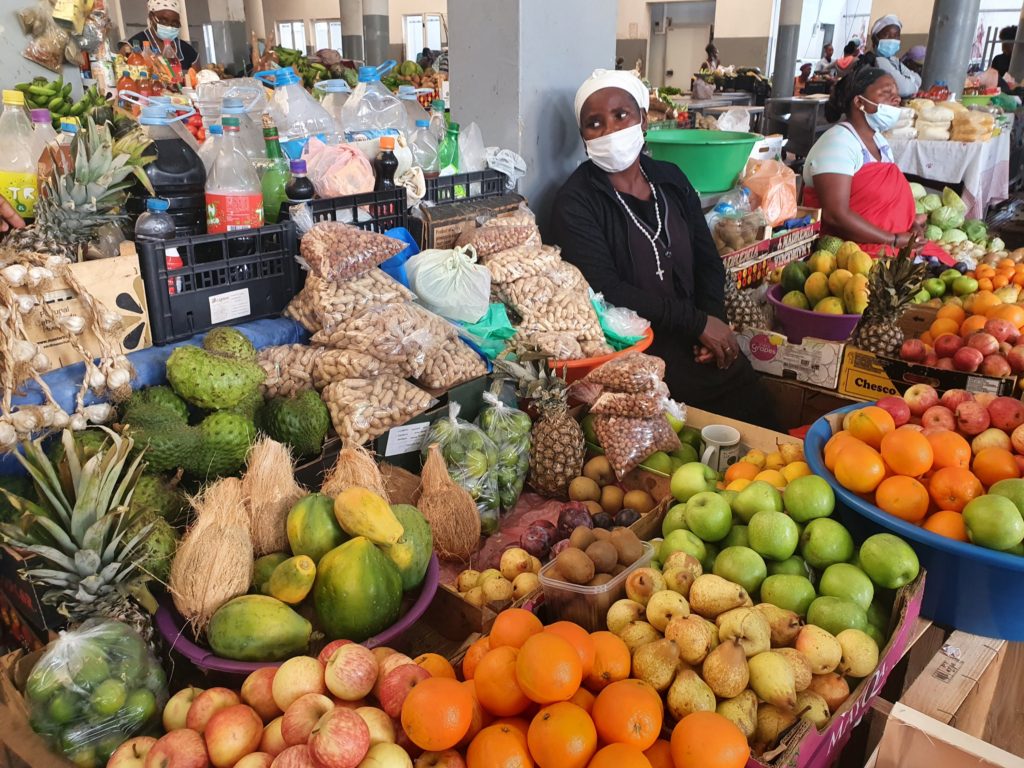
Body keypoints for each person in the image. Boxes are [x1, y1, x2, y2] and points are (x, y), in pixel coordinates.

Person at [550, 69, 774, 426]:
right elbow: (606, 288)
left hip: (699, 337)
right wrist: (697, 323)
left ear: (642, 118)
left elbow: (707, 260)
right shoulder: (576, 202)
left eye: (621, 115)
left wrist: (711, 319)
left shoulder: (670, 179)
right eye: (595, 124)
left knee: (763, 415)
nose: (609, 130)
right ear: (583, 138)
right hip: (640, 356)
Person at [802, 67, 948, 262]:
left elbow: (888, 201)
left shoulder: (880, 141)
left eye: (896, 95)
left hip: (892, 245)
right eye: (886, 94)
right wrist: (893, 239)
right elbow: (836, 215)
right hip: (850, 253)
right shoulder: (837, 143)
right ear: (859, 102)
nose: (896, 100)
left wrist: (912, 228)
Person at [128, 0, 199, 72]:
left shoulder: (187, 50)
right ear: (152, 17)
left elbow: (198, 79)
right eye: (164, 21)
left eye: (174, 23)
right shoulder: (133, 46)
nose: (169, 27)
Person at [861, 15, 920, 98]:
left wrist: (911, 83)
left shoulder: (893, 60)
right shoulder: (877, 61)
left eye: (896, 36)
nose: (892, 39)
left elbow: (918, 79)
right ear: (875, 39)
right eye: (887, 35)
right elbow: (905, 90)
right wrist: (912, 83)